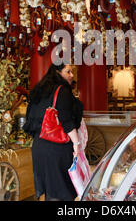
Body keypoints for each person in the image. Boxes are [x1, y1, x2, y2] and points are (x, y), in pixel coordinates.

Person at [23, 63, 83, 201]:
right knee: (61, 190)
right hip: (57, 147)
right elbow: (66, 120)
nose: (72, 75)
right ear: (58, 72)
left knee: (50, 190)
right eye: (68, 72)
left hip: (39, 145)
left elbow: (30, 118)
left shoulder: (40, 90)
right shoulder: (62, 90)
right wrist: (76, 143)